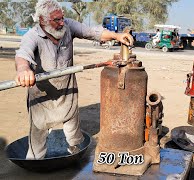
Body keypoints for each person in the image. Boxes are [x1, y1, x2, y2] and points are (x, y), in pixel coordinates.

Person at [14, 0, 134, 160]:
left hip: (67, 92)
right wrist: (23, 69)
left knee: (73, 132)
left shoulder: (68, 26)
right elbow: (23, 54)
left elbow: (93, 32)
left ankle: (74, 155)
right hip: (41, 97)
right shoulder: (33, 36)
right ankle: (35, 163)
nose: (62, 22)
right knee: (38, 134)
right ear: (42, 21)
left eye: (62, 17)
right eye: (56, 20)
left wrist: (116, 35)